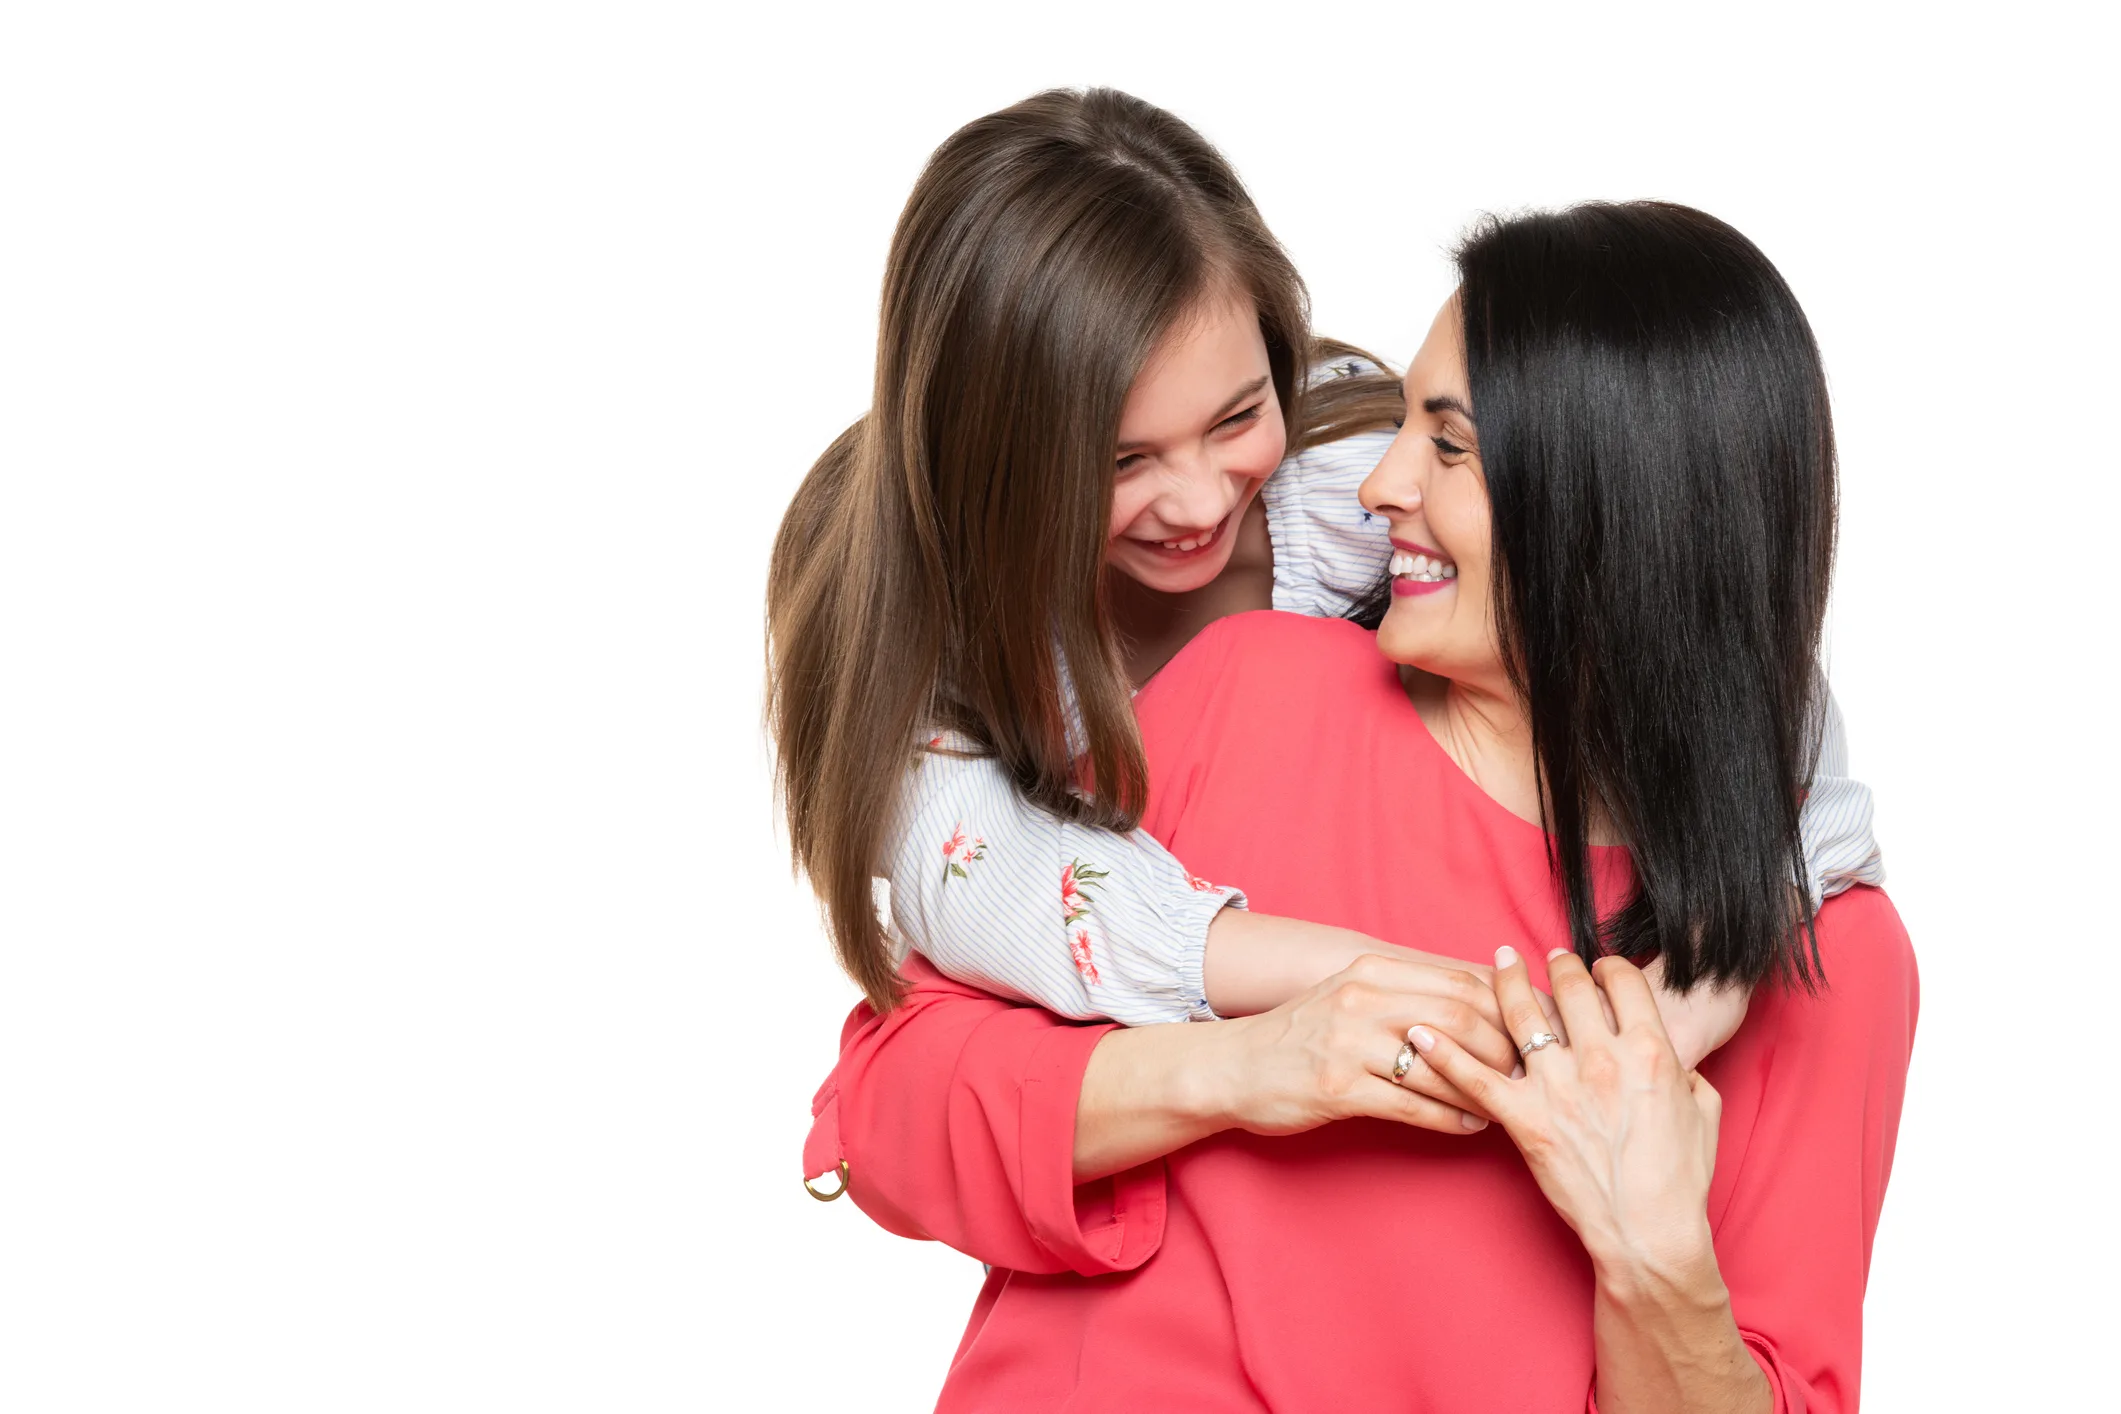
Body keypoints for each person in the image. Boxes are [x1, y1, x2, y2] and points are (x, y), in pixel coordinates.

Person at [804, 203, 1917, 1411]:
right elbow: (886, 1113)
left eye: (1448, 448)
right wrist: (1242, 1064)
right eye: (1402, 432)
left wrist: (1658, 1264)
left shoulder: (1830, 966)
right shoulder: (1256, 684)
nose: (1377, 486)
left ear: (1615, 516)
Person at [766, 90, 1881, 1117]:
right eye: (1120, 463)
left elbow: (1697, 611)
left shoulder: (1353, 468)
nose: (1199, 500)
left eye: (1236, 414)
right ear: (990, 463)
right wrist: (1373, 991)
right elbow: (993, 897)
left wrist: (1716, 958)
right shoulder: (918, 636)